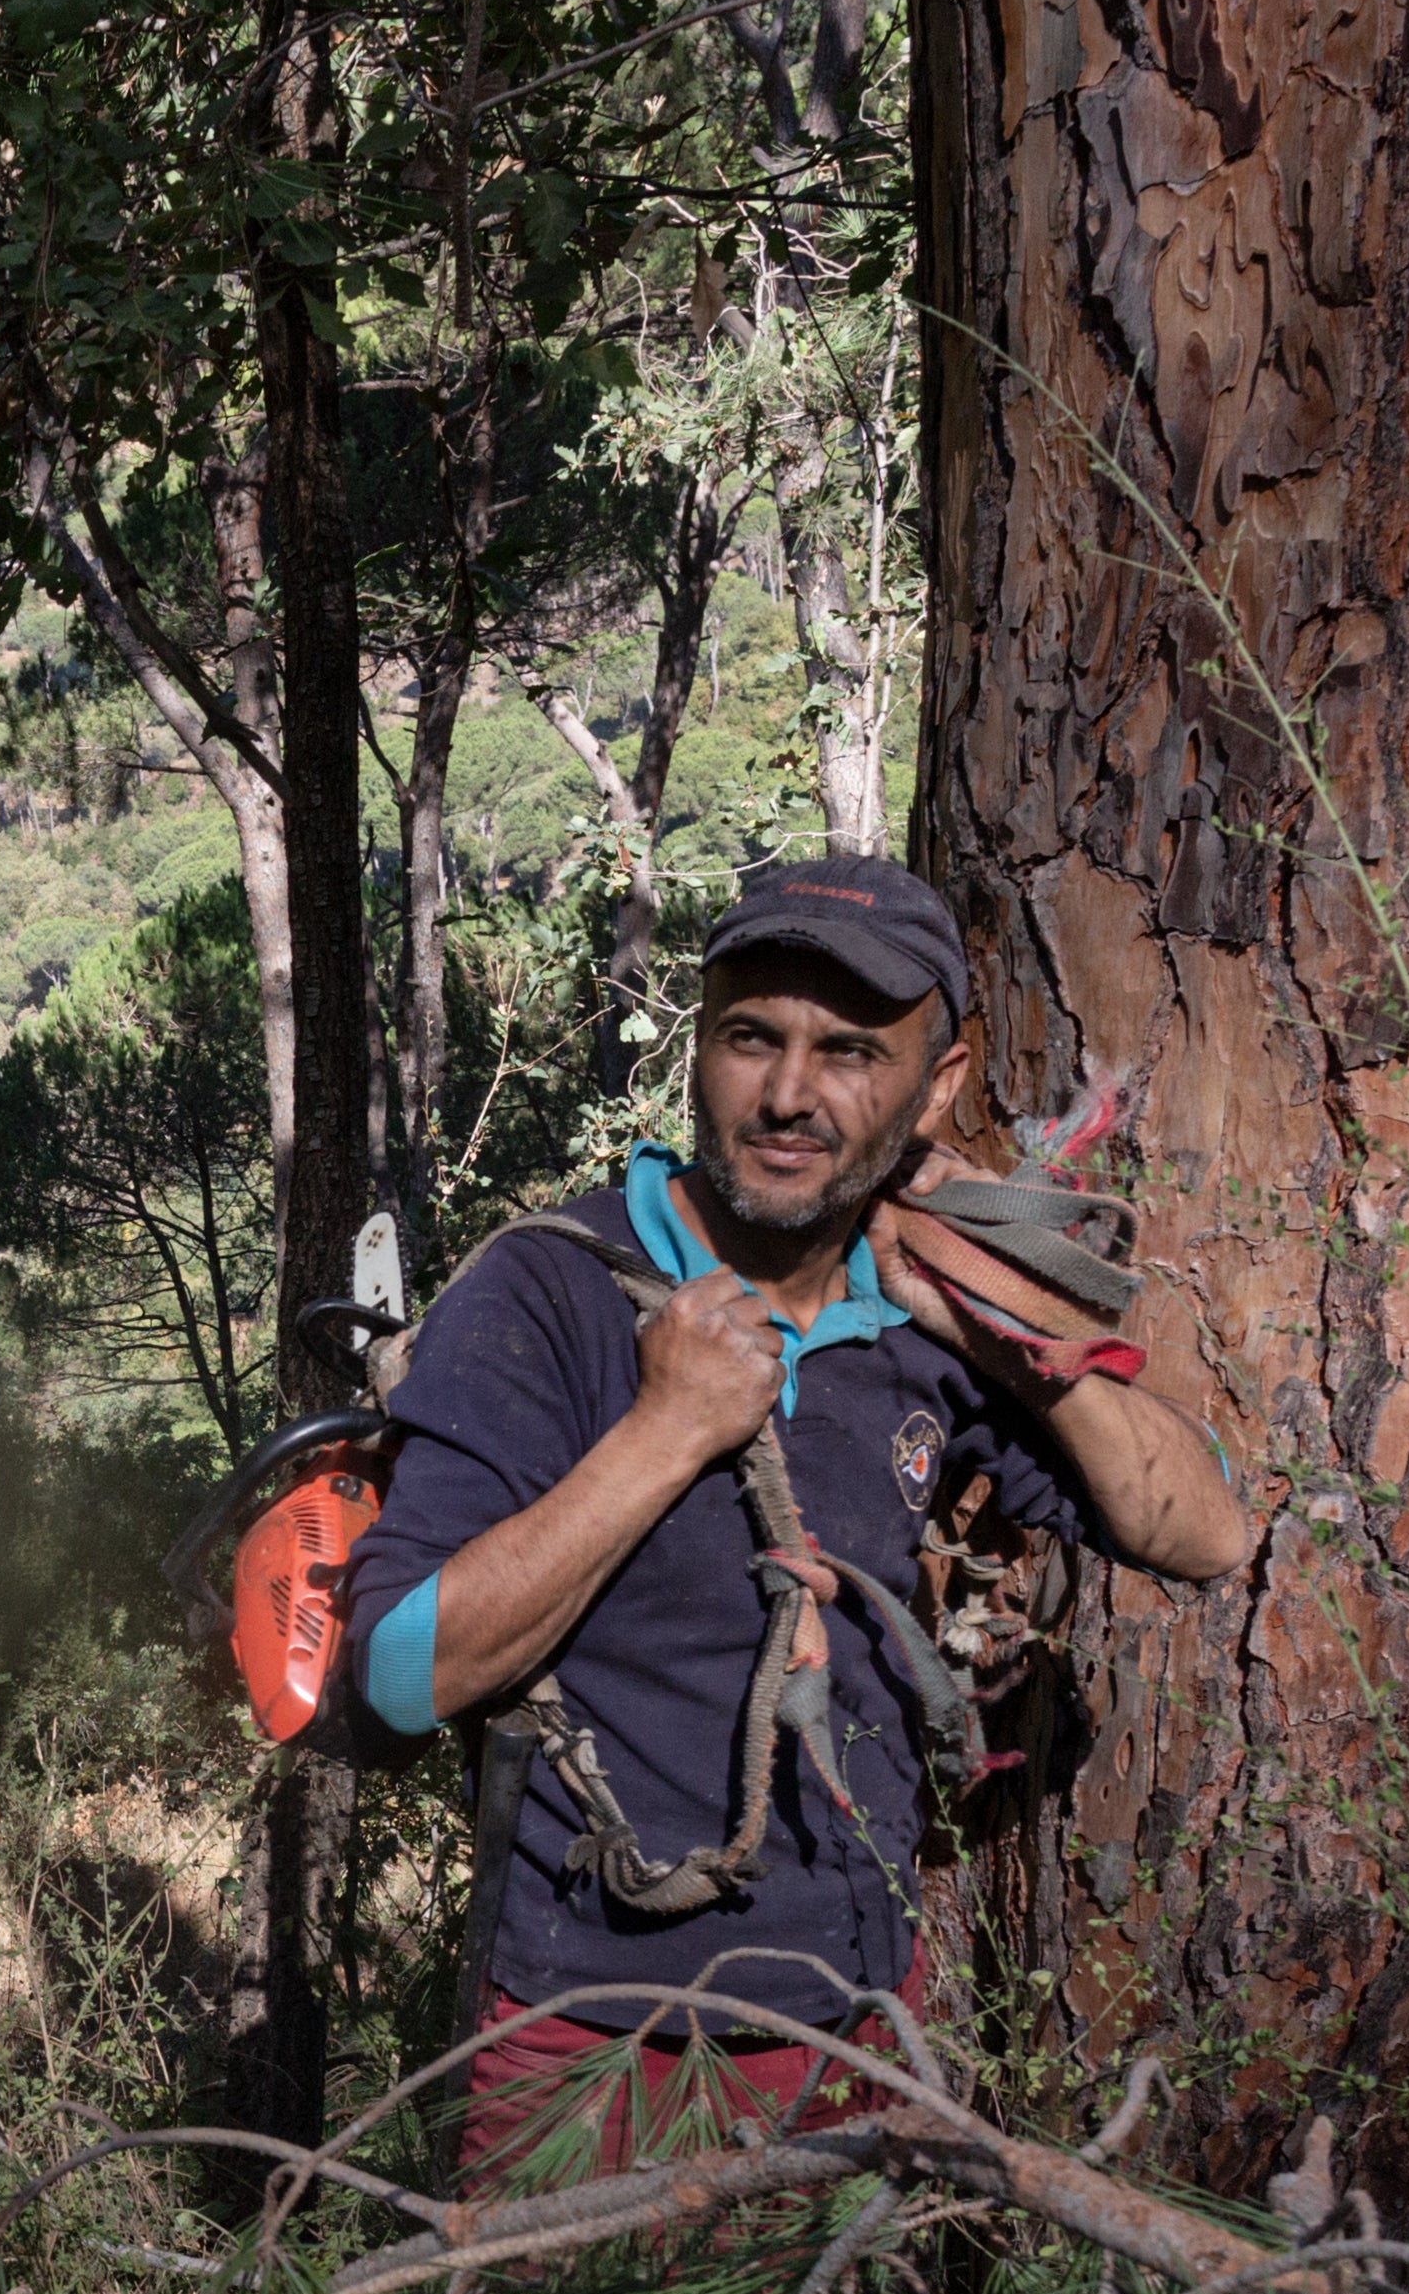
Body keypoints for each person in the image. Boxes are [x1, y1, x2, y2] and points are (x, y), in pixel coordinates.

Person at [332, 855, 1247, 2180]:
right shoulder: (553, 1291)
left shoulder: (920, 1318)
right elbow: (402, 1674)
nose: (787, 1097)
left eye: (850, 1053)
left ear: (936, 1086)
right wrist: (665, 1432)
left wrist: (1008, 1320)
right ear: (698, 1049)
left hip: (864, 2033)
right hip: (588, 2046)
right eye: (750, 1038)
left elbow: (1204, 1533)